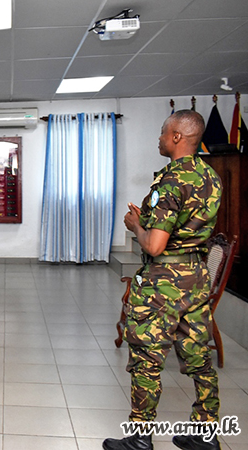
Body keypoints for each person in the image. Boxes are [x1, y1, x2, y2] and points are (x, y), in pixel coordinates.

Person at [103, 110, 223, 450]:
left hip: (163, 283)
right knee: (199, 358)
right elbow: (187, 228)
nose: (159, 138)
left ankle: (140, 438)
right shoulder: (210, 176)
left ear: (177, 137)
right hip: (196, 278)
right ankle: (205, 434)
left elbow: (155, 245)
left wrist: (135, 226)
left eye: (162, 132)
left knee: (147, 360)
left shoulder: (171, 180)